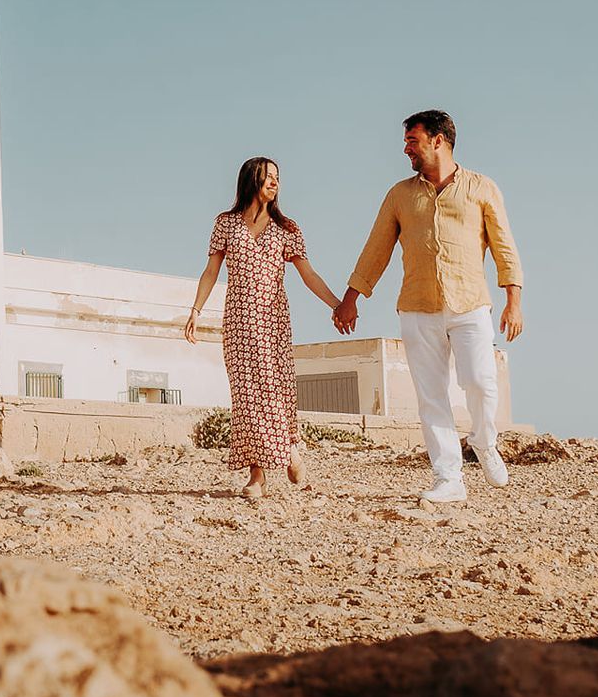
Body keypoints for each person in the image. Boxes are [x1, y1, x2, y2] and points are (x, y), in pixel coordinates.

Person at [334, 111, 524, 504]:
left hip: (470, 304)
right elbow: (376, 248)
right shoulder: (399, 195)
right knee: (431, 396)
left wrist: (513, 301)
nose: (406, 149)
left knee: (481, 382)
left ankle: (484, 441)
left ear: (438, 141)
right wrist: (351, 297)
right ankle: (448, 477)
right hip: (417, 307)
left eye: (412, 141)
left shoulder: (481, 188)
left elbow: (504, 246)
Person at [184, 156, 345, 499]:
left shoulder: (287, 229)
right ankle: (258, 475)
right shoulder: (226, 224)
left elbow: (308, 274)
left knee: (274, 390)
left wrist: (337, 304)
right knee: (246, 396)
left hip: (273, 322)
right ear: (250, 179)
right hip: (239, 322)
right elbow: (211, 271)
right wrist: (196, 309)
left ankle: (289, 449)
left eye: (277, 177)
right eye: (268, 176)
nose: (274, 182)